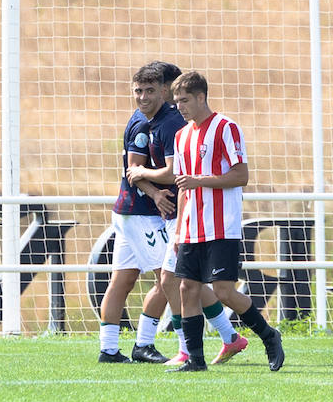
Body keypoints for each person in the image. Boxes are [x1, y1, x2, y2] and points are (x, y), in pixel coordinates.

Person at [97, 63, 238, 364]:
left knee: (130, 280)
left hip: (137, 212)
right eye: (140, 91)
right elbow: (142, 170)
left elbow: (138, 170)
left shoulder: (157, 120)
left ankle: (111, 349)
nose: (146, 96)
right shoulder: (165, 123)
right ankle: (195, 344)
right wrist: (155, 193)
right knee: (173, 279)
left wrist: (152, 188)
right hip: (142, 215)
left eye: (152, 90)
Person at [170, 71, 285, 372]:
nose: (179, 107)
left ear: (201, 97)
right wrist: (179, 231)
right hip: (192, 228)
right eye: (176, 101)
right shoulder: (181, 136)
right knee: (187, 289)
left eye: (184, 100)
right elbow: (185, 188)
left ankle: (268, 336)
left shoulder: (225, 127)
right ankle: (196, 360)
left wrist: (200, 181)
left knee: (223, 291)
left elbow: (241, 175)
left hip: (222, 225)